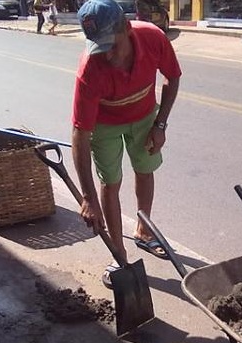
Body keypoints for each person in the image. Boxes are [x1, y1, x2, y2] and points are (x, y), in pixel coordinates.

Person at [72, 0, 181, 288]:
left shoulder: (152, 38)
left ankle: (144, 232)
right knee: (110, 183)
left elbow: (173, 77)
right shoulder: (89, 70)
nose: (106, 55)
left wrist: (160, 124)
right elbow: (80, 135)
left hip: (145, 116)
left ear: (127, 27)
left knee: (145, 170)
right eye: (99, 46)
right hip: (104, 124)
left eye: (111, 45)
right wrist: (87, 197)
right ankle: (118, 254)